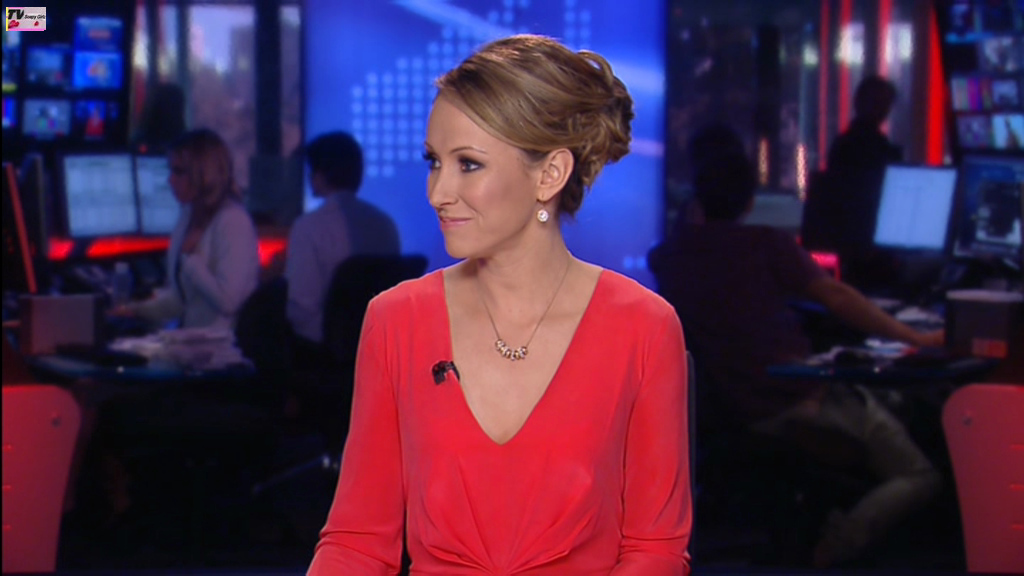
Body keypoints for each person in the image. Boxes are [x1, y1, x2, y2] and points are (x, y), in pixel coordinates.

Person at [308, 34, 692, 575]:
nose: (438, 192)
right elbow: (357, 542)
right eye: (434, 162)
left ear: (550, 174)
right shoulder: (396, 320)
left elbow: (655, 550)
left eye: (468, 164)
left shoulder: (644, 328)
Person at [647, 150, 943, 568]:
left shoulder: (668, 257)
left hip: (734, 409)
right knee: (921, 474)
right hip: (794, 401)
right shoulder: (765, 245)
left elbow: (681, 244)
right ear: (750, 200)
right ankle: (839, 545)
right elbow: (837, 297)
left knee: (894, 405)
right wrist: (917, 337)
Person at [118, 128, 260, 331]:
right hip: (189, 342)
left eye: (179, 171)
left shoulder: (233, 221)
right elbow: (180, 301)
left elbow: (228, 302)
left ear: (204, 174)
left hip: (220, 347)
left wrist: (191, 260)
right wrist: (133, 310)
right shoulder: (188, 215)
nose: (170, 180)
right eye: (170, 171)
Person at [284, 131, 400, 354]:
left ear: (318, 174)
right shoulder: (385, 224)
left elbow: (301, 308)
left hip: (321, 356)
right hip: (379, 350)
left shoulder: (309, 227)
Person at [824, 75, 903, 290]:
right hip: (873, 248)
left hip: (851, 249)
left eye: (884, 103)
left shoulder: (842, 145)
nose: (883, 109)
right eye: (879, 103)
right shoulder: (883, 150)